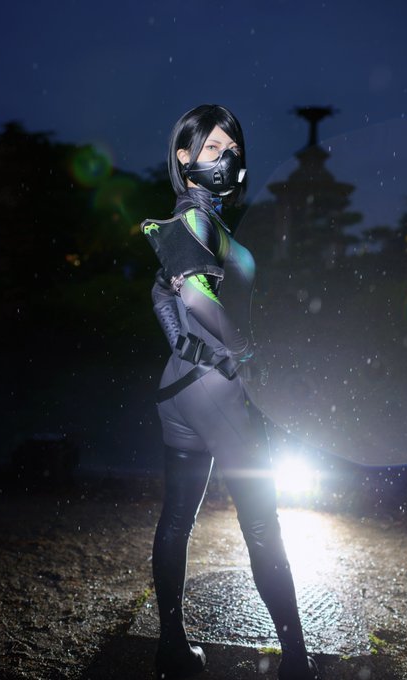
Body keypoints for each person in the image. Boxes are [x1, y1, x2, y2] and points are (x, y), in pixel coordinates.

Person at [141, 104, 321, 680]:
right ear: (184, 156)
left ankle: (173, 650)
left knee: (176, 519)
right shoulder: (195, 219)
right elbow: (194, 297)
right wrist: (240, 352)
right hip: (218, 389)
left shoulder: (192, 222)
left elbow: (163, 293)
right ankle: (296, 662)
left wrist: (183, 344)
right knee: (263, 525)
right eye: (213, 148)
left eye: (233, 150)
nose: (226, 159)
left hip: (178, 389)